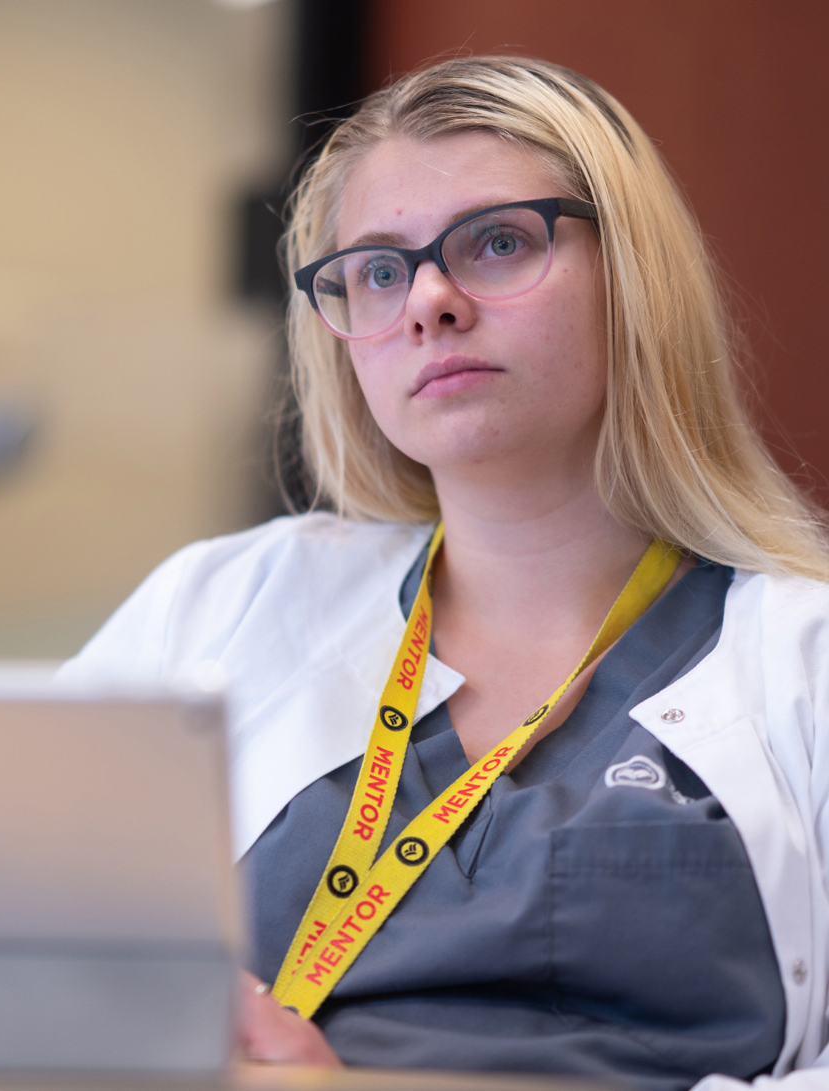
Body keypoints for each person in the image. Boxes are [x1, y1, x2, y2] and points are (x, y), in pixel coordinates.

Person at [59, 56, 829, 1090]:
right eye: (377, 270)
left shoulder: (803, 656)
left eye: (498, 242)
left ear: (634, 276)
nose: (428, 299)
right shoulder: (223, 604)